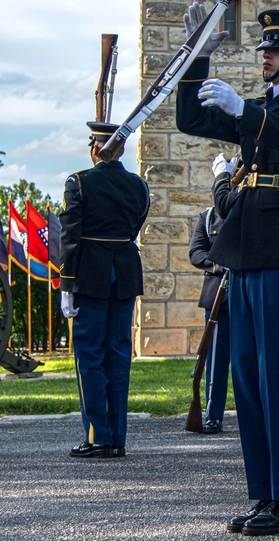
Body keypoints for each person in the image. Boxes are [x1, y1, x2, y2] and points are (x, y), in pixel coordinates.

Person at [176, 3, 279, 536]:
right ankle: (266, 495)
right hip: (244, 249)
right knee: (248, 378)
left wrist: (246, 112)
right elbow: (191, 118)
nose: (264, 56)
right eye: (264, 47)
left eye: (275, 49)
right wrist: (198, 56)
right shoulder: (260, 108)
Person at [59, 121, 150, 459]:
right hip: (124, 271)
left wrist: (66, 284)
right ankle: (116, 437)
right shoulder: (138, 186)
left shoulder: (79, 183)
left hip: (92, 275)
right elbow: (135, 224)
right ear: (122, 149)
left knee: (90, 355)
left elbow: (69, 237)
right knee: (118, 354)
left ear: (94, 148)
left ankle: (98, 435)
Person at [188, 179, 231, 435]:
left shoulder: (245, 212)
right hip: (218, 297)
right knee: (215, 359)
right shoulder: (206, 218)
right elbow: (196, 252)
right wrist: (220, 264)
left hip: (246, 294)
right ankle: (213, 415)